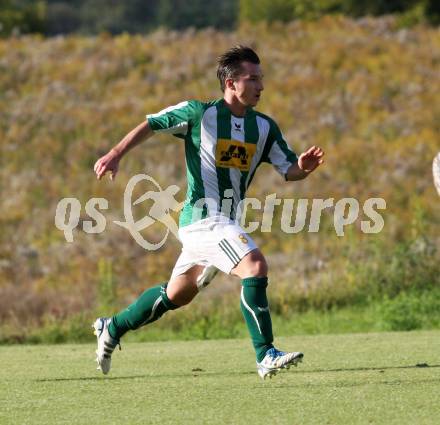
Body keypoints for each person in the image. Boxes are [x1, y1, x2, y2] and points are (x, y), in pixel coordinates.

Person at [93, 46, 324, 380]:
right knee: (255, 265)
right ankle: (266, 354)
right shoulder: (199, 114)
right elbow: (151, 124)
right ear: (230, 82)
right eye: (253, 79)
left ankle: (111, 327)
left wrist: (302, 166)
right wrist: (116, 153)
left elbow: (288, 169)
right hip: (203, 219)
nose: (261, 86)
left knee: (178, 294)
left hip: (225, 222)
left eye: (262, 78)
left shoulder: (264, 127)